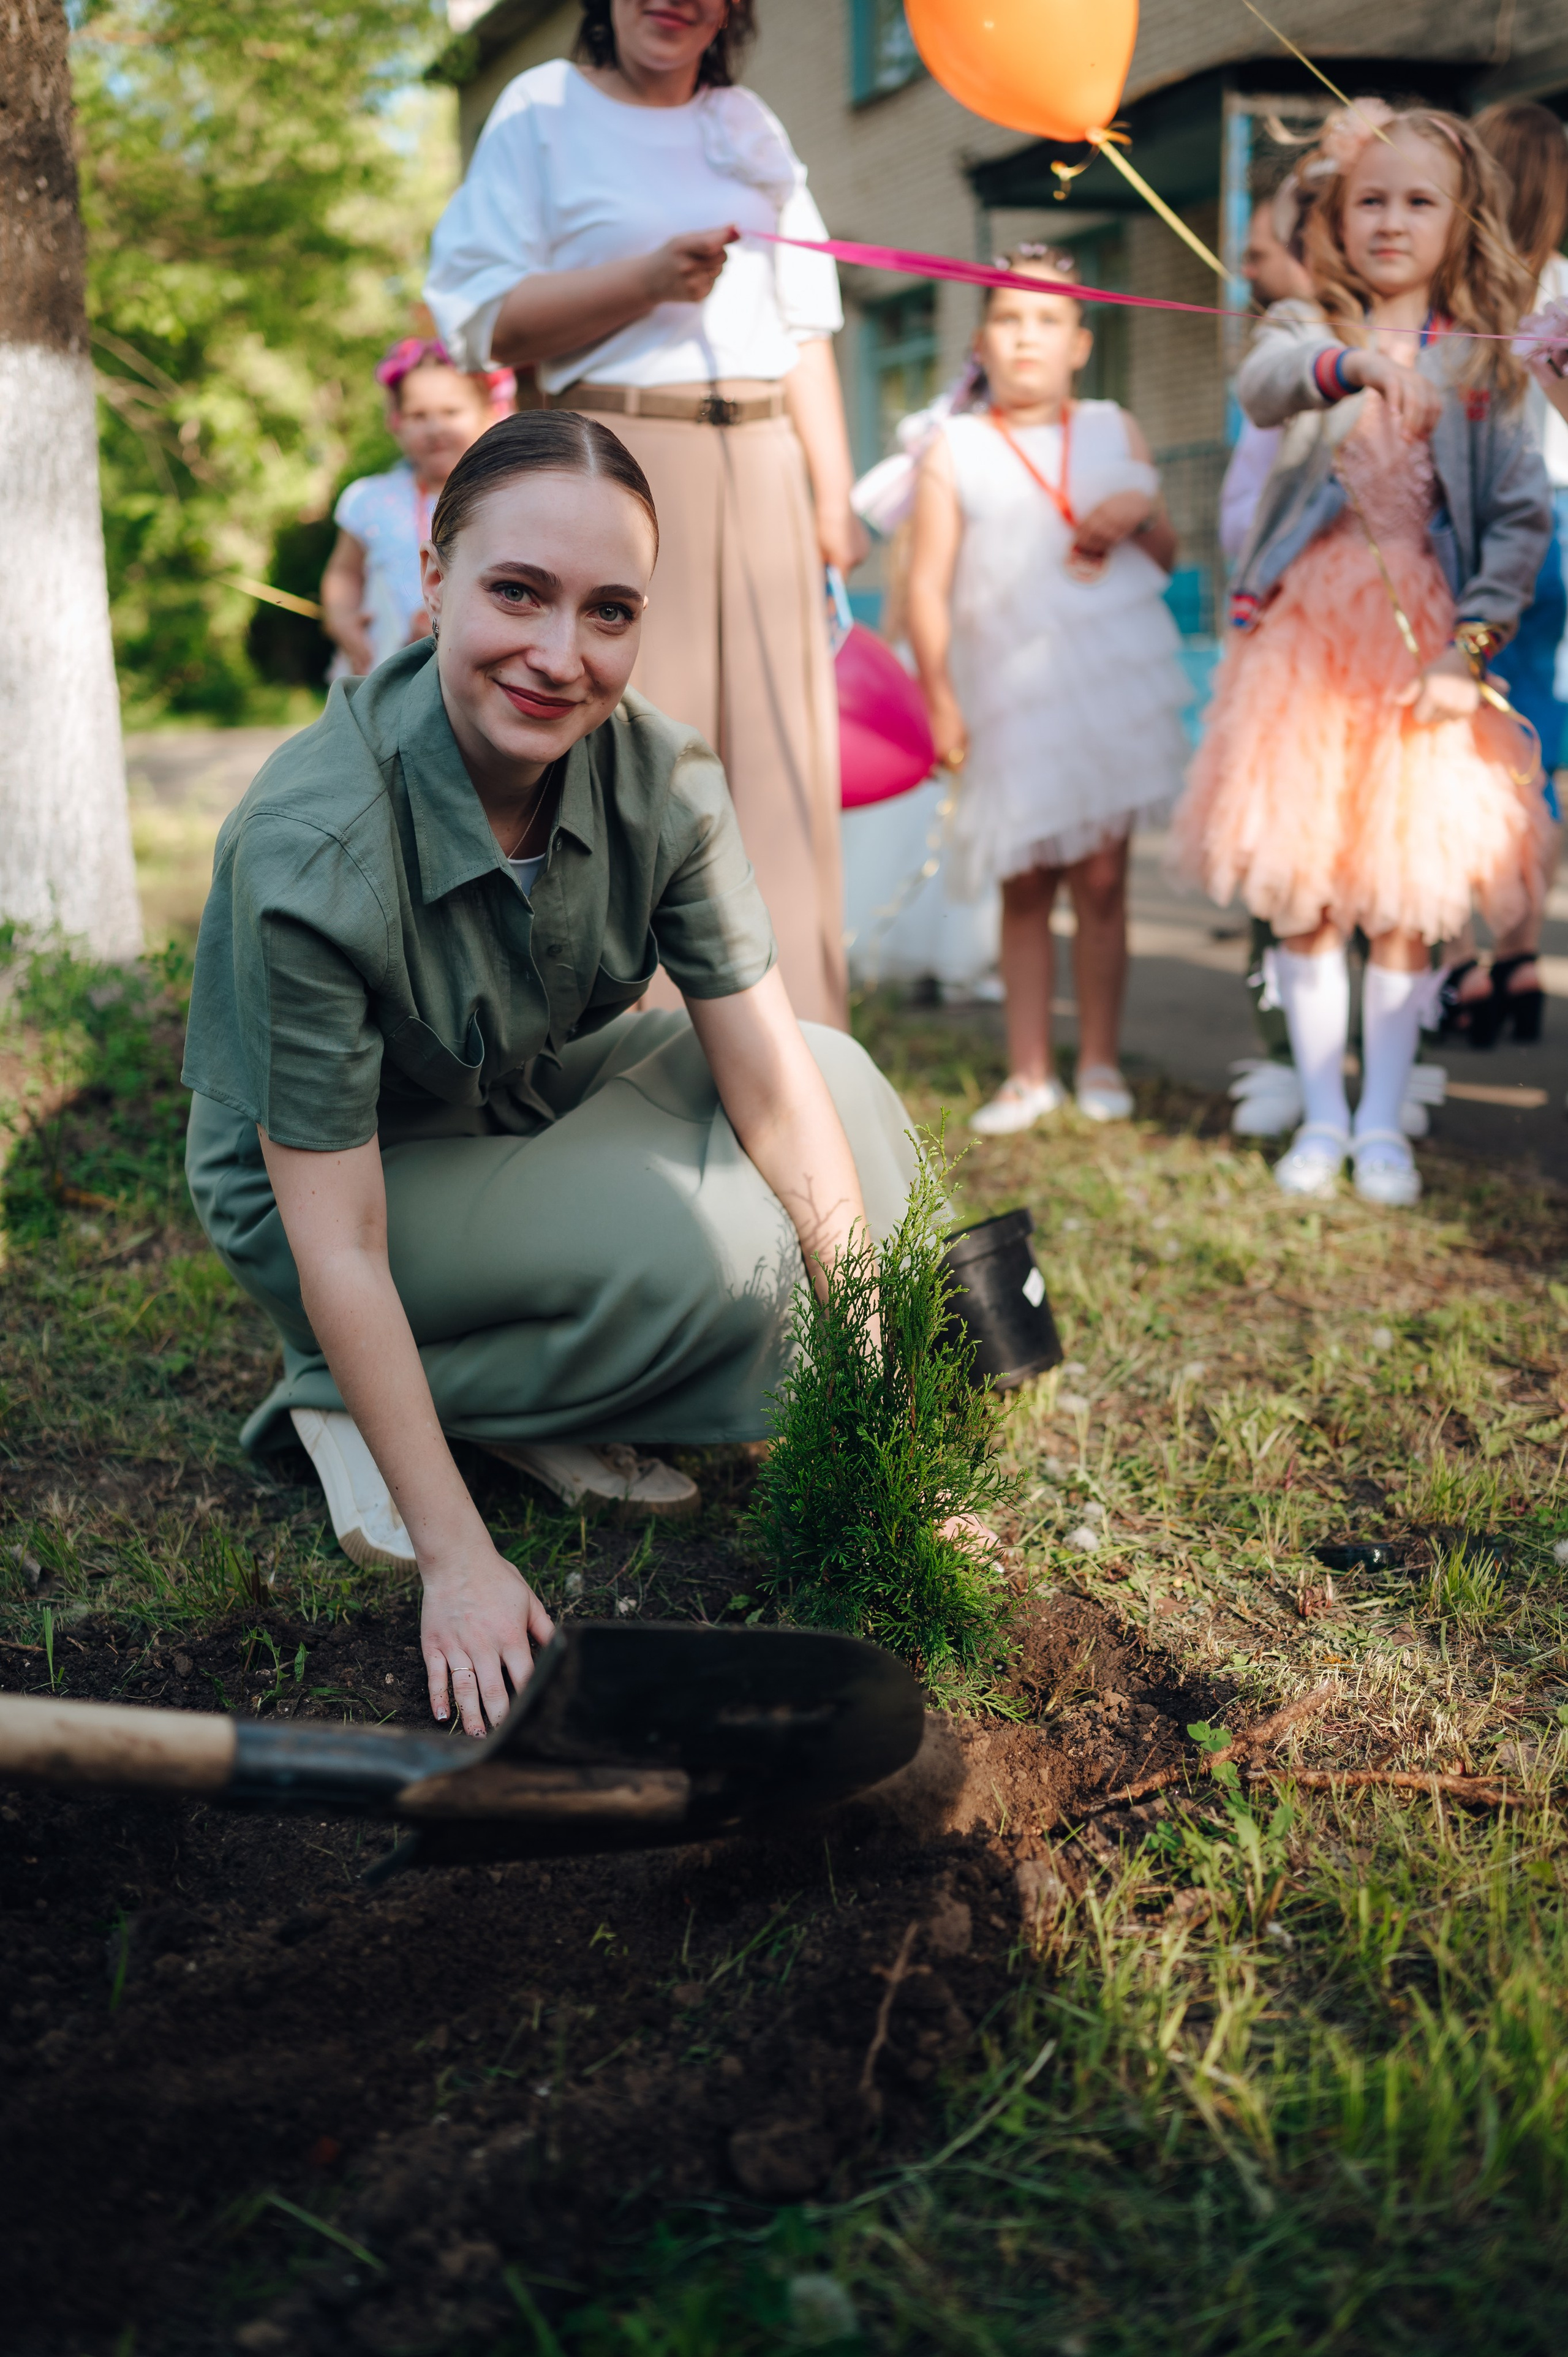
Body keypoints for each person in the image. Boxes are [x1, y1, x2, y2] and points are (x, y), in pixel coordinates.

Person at [181, 412, 919, 1737]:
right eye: (516, 592)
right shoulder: (311, 842)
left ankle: (499, 1375)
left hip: (512, 1098)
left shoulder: (663, 778)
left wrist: (873, 1396)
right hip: (338, 1193)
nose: (559, 656)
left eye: (608, 611)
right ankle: (334, 1395)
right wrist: (456, 1558)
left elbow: (768, 1080)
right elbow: (338, 1232)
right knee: (710, 1256)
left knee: (844, 1089)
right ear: (434, 577)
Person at [423, 0, 864, 1030]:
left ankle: (802, 1056)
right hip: (618, 466)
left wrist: (832, 500)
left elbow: (808, 330)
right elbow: (481, 320)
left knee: (779, 775)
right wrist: (644, 281)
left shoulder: (751, 123)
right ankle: (637, 1058)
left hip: (765, 463)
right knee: (637, 771)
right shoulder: (542, 109)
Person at [1170, 103, 1551, 1209]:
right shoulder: (1302, 325)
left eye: (1419, 201)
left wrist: (1469, 645)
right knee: (1307, 895)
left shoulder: (1484, 364)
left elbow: (1520, 524)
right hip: (1301, 648)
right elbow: (1269, 382)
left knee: (1402, 894)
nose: (1392, 220)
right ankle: (1322, 1113)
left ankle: (1383, 1119)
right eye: (1370, 200)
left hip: (1418, 646)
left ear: (1462, 217)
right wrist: (1356, 369)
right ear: (1336, 216)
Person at [903, 248, 1189, 1131]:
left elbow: (1168, 557)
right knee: (1025, 878)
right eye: (1011, 319)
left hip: (1103, 682)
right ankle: (1029, 1072)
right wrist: (942, 698)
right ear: (983, 341)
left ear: (1081, 342)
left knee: (1102, 879)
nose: (1029, 337)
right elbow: (924, 582)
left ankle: (1099, 1059)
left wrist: (1137, 514)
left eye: (1049, 320)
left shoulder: (1114, 427)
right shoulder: (954, 445)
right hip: (1008, 688)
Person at [1438, 100, 1568, 1045]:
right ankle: (1522, 959)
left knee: (1449, 756)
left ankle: (1458, 970)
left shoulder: (1456, 299)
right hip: (1563, 538)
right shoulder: (1562, 290)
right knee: (1540, 758)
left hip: (1481, 544)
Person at [319, 338, 513, 676]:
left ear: (489, 412)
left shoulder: (508, 497)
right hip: (381, 669)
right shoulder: (370, 499)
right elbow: (344, 571)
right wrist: (340, 618)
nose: (435, 428)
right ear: (396, 422)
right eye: (418, 415)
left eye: (451, 412)